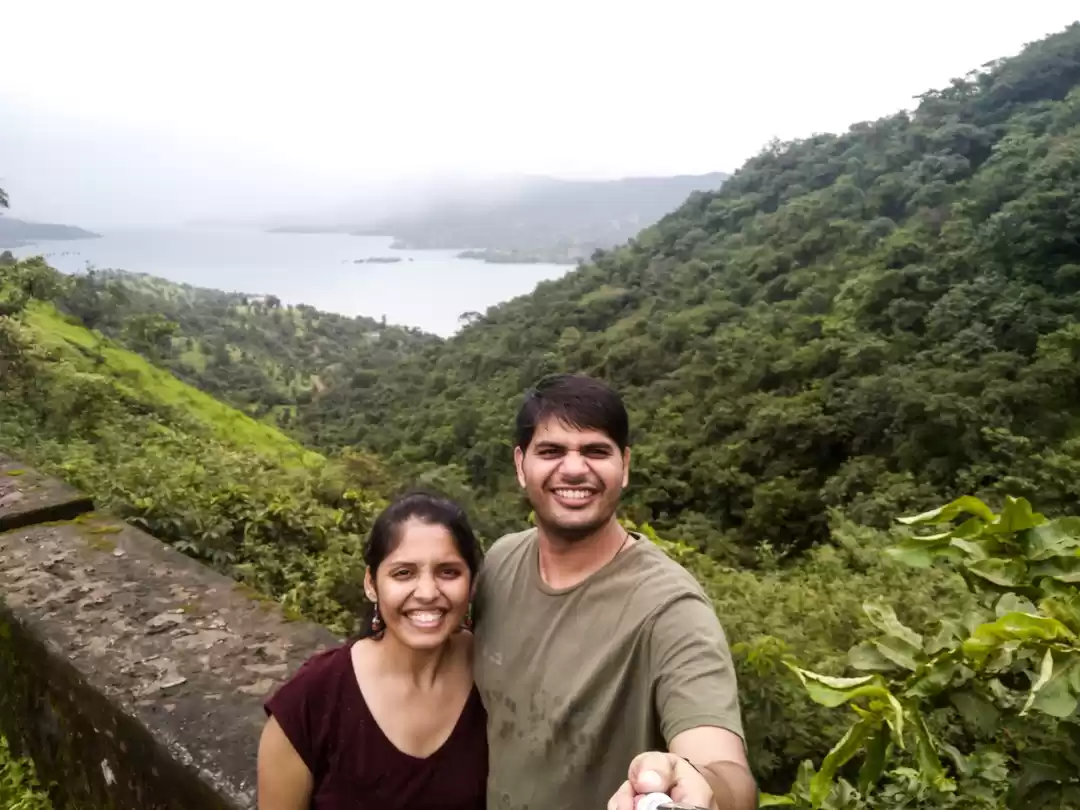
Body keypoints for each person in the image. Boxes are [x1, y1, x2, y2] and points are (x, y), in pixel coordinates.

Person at [472, 373, 757, 810]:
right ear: (519, 465)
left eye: (595, 451)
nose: (572, 468)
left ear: (624, 466)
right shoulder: (499, 563)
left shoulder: (668, 608)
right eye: (550, 451)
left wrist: (701, 789)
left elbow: (723, 766)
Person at [256, 490, 488, 810]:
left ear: (473, 583)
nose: (427, 592)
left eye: (448, 572)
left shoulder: (494, 673)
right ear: (371, 584)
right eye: (403, 573)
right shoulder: (312, 700)